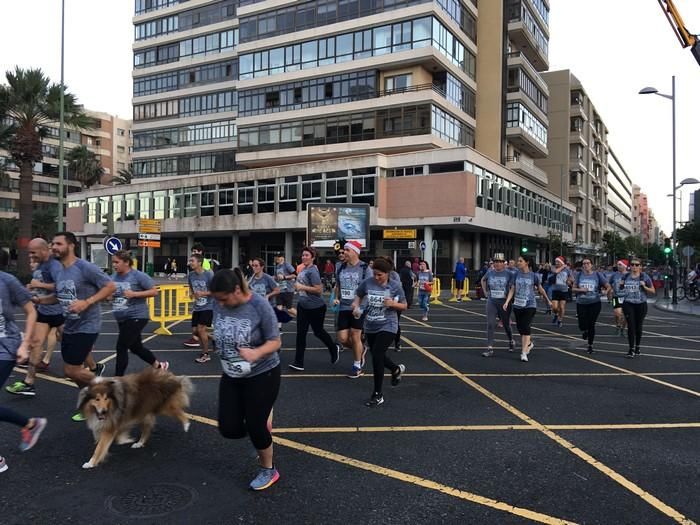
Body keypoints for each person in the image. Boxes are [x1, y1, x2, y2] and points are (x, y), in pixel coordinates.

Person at [210, 268, 282, 491]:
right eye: (217, 300)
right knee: (228, 428)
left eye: (223, 299)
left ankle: (268, 469)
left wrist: (256, 353)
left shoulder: (258, 306)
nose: (220, 304)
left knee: (256, 425)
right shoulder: (218, 303)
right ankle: (259, 421)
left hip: (262, 372)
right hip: (231, 372)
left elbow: (275, 341)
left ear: (237, 290)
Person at [50, 232, 116, 420]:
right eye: (53, 243)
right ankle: (94, 404)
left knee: (71, 370)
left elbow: (110, 286)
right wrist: (38, 300)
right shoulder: (60, 271)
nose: (54, 247)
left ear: (71, 246)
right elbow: (58, 296)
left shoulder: (84, 267)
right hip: (69, 325)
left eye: (58, 243)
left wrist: (87, 302)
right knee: (76, 373)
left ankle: (110, 388)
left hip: (87, 325)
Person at [0, 249, 48, 473]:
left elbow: (31, 311)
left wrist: (24, 343)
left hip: (6, 348)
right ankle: (30, 423)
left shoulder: (7, 281)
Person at [6, 238, 63, 397]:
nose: (30, 255)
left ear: (44, 250)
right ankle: (29, 382)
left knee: (72, 345)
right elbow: (39, 285)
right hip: (43, 311)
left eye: (33, 252)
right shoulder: (41, 265)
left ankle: (92, 367)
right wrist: (31, 290)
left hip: (60, 311)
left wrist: (39, 285)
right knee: (35, 343)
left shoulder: (55, 266)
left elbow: (61, 286)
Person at [352, 257, 407, 407]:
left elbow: (405, 305)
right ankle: (395, 369)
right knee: (378, 354)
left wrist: (393, 304)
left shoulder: (395, 286)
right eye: (375, 274)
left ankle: (377, 394)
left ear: (387, 273)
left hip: (388, 324)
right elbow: (358, 294)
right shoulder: (368, 282)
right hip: (370, 324)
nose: (376, 278)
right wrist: (356, 306)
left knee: (377, 355)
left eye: (380, 275)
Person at [111, 250, 168, 375]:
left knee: (122, 346)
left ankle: (118, 379)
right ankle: (159, 366)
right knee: (136, 347)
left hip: (136, 316)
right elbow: (112, 293)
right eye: (113, 262)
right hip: (122, 317)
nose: (114, 265)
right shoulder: (114, 277)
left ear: (126, 262)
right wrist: (109, 296)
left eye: (117, 262)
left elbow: (154, 291)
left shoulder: (138, 276)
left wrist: (134, 294)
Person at [289, 247, 341, 371]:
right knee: (300, 334)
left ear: (313, 257)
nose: (304, 257)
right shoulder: (303, 269)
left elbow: (319, 290)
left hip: (316, 307)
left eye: (307, 255)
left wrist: (301, 287)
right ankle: (298, 362)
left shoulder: (313, 271)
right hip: (303, 306)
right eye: (303, 255)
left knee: (318, 332)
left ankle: (333, 348)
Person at [504, 255, 552, 362]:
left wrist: (548, 301)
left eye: (520, 261)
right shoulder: (516, 274)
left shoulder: (533, 276)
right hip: (518, 305)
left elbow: (541, 289)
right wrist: (507, 302)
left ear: (527, 263)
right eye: (518, 260)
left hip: (530, 305)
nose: (518, 262)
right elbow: (512, 289)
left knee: (526, 327)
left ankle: (524, 352)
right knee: (521, 328)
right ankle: (529, 344)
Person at [333, 241, 369, 379]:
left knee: (355, 335)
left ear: (355, 252)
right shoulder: (341, 267)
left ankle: (357, 365)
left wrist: (360, 306)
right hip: (344, 306)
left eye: (347, 250)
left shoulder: (365, 268)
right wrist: (336, 297)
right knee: (342, 338)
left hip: (358, 308)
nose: (344, 253)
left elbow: (369, 289)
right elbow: (338, 285)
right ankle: (361, 350)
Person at [571, 257, 611, 354]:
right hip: (581, 303)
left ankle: (590, 345)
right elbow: (573, 289)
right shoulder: (579, 275)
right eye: (584, 264)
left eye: (588, 263)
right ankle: (585, 331)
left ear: (591, 265)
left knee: (591, 324)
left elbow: (608, 286)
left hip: (594, 303)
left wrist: (606, 291)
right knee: (582, 324)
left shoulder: (597, 275)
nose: (586, 265)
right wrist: (581, 290)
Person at [480, 253, 515, 357]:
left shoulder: (509, 273)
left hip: (504, 302)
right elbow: (483, 280)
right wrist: (485, 292)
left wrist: (508, 300)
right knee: (490, 324)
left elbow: (512, 288)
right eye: (495, 262)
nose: (497, 264)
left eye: (500, 262)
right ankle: (490, 348)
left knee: (506, 324)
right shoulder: (490, 272)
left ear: (504, 263)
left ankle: (511, 340)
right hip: (492, 301)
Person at [619, 257, 655, 358]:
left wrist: (644, 286)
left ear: (640, 267)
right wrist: (621, 285)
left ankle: (637, 347)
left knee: (638, 327)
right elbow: (621, 287)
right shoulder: (626, 276)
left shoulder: (644, 277)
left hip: (641, 304)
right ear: (630, 266)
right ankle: (631, 349)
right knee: (631, 326)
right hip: (628, 303)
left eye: (637, 265)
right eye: (632, 265)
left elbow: (653, 291)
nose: (634, 267)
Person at [188, 254, 215, 363]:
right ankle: (213, 339)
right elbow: (191, 286)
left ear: (199, 263)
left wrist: (203, 293)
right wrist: (192, 294)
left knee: (200, 329)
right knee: (195, 332)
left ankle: (205, 354)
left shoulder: (209, 275)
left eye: (192, 261)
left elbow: (215, 291)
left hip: (208, 306)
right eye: (190, 261)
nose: (190, 263)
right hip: (197, 306)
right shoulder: (191, 275)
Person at [607, 260, 629, 337]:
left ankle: (623, 328)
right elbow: (609, 284)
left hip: (627, 298)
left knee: (626, 315)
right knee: (617, 314)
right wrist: (609, 293)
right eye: (618, 265)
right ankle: (618, 325)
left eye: (620, 265)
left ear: (625, 266)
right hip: (616, 296)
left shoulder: (629, 275)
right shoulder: (614, 275)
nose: (618, 266)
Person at [550, 256, 572, 327]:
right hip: (555, 290)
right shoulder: (553, 267)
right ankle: (556, 314)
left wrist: (569, 281)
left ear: (561, 262)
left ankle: (560, 320)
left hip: (564, 290)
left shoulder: (567, 270)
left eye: (558, 262)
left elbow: (571, 278)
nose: (556, 263)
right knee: (554, 307)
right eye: (556, 262)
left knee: (562, 307)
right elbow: (556, 272)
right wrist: (563, 266)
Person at [274, 252, 297, 317]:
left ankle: (301, 316)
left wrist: (284, 277)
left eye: (278, 257)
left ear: (282, 258)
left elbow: (295, 275)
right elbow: (276, 277)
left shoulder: (287, 265)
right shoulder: (277, 266)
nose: (276, 259)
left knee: (289, 309)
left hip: (288, 290)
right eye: (276, 257)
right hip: (280, 290)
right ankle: (278, 327)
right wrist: (272, 278)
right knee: (279, 307)